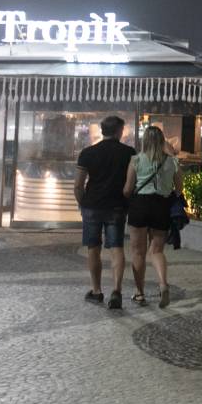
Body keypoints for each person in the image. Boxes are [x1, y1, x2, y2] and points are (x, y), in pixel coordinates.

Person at [73, 116, 135, 309]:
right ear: (120, 131)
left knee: (93, 247)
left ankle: (97, 290)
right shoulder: (129, 153)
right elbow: (131, 182)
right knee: (116, 247)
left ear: (102, 131)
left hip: (92, 205)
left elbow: (78, 185)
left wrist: (83, 203)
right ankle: (116, 290)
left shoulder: (88, 153)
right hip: (116, 205)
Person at [122, 125, 182, 309]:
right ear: (162, 140)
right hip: (161, 206)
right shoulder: (173, 162)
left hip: (140, 205)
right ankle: (163, 284)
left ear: (144, 141)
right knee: (156, 251)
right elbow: (179, 190)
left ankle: (139, 294)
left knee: (138, 252)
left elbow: (127, 189)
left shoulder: (136, 160)